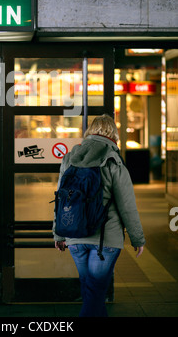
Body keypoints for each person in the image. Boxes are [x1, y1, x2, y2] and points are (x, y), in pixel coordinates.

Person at [53, 114, 145, 317]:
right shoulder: (113, 160)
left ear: (89, 131)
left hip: (74, 236)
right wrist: (137, 238)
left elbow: (61, 200)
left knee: (91, 292)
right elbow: (127, 206)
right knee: (95, 293)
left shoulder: (70, 158)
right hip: (106, 241)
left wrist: (58, 235)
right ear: (113, 133)